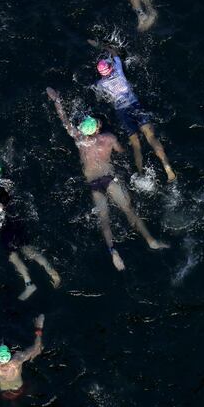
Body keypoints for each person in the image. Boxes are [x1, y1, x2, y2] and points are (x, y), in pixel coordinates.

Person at [46, 88, 169, 271]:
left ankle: (112, 250)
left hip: (94, 184)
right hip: (110, 179)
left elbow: (63, 120)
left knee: (104, 219)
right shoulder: (109, 138)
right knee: (129, 210)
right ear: (97, 129)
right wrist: (127, 147)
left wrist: (57, 100)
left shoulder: (79, 139)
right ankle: (151, 240)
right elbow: (121, 151)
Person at [89, 40, 176, 182]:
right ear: (111, 67)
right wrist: (105, 47)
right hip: (134, 104)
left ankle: (141, 174)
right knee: (151, 137)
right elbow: (114, 53)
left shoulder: (100, 84)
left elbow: (100, 96)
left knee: (135, 143)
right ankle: (167, 168)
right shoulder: (118, 68)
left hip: (121, 111)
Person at [0, 161, 61, 300]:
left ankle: (29, 284)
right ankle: (52, 272)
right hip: (15, 220)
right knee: (27, 249)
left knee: (13, 256)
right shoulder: (3, 183)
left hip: (8, 225)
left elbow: (0, 207)